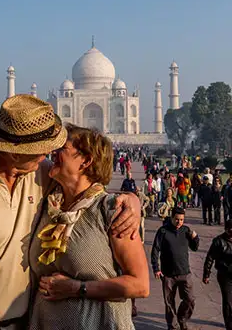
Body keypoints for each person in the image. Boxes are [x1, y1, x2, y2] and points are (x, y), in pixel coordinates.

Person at [0, 95, 142, 330]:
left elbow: (87, 189)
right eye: (41, 151)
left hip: (21, 323)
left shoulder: (39, 174)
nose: (48, 156)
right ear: (15, 154)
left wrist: (131, 200)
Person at [28, 124, 149, 329]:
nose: (53, 153)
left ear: (85, 160)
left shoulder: (112, 211)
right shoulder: (51, 208)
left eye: (62, 149)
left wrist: (77, 288)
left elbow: (140, 285)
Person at [151, 207, 199, 330]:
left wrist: (195, 238)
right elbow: (155, 250)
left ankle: (182, 318)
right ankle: (172, 326)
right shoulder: (163, 231)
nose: (179, 222)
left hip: (184, 272)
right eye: (177, 219)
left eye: (182, 220)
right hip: (168, 274)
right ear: (172, 218)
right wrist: (156, 268)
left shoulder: (185, 230)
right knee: (169, 303)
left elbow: (194, 248)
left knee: (190, 300)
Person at [203, 219, 232, 330]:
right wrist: (206, 274)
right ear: (226, 229)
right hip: (225, 276)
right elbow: (210, 258)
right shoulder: (218, 241)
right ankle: (229, 325)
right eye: (229, 229)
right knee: (228, 301)